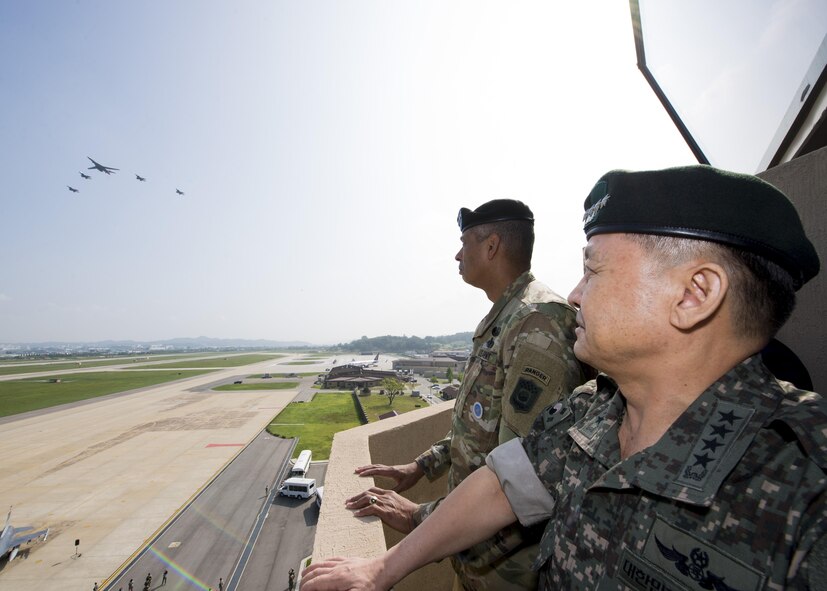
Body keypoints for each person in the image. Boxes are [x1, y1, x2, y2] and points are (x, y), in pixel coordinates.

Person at [301, 166, 827, 590]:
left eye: (593, 271)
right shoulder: (588, 415)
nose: (574, 295)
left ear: (693, 295)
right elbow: (500, 485)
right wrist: (380, 569)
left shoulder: (806, 481)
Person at [349, 198, 589, 590]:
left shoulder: (536, 323)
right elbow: (477, 427)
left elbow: (524, 474)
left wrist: (418, 517)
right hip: (477, 558)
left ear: (491, 247)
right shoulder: (506, 317)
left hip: (510, 572)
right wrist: (421, 466)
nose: (457, 254)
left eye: (465, 243)